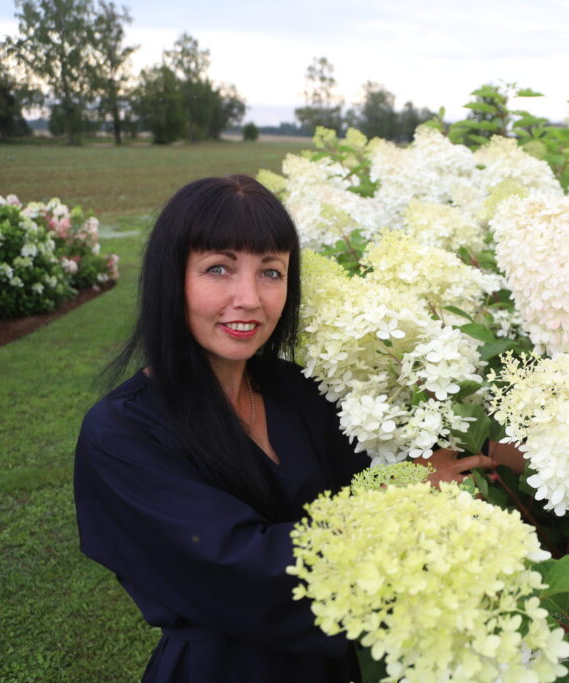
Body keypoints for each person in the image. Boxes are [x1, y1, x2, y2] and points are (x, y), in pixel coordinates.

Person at [74, 175, 499, 683]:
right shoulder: (121, 436)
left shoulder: (295, 389)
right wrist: (411, 501)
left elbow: (362, 480)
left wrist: (491, 450)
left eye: (271, 272)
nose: (250, 298)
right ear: (171, 279)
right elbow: (249, 571)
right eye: (218, 269)